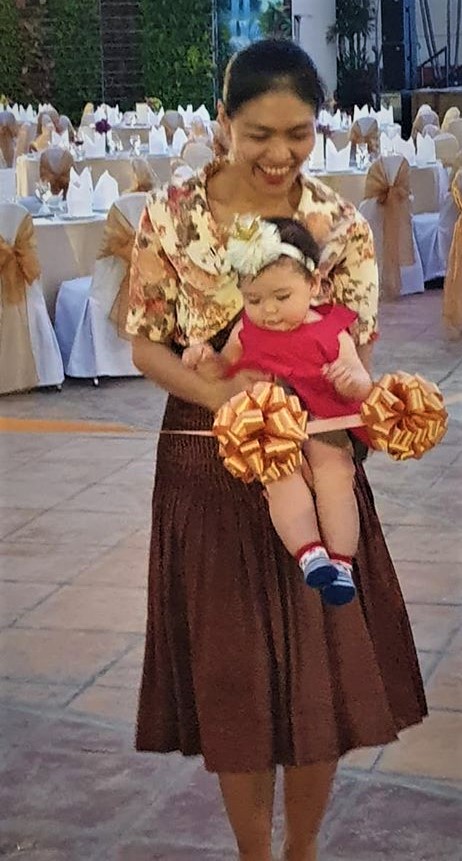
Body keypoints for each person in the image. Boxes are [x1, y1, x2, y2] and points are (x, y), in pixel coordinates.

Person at [127, 39, 427, 861]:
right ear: (223, 122)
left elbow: (356, 350)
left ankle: (302, 850)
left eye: (299, 134)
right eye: (259, 133)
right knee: (237, 678)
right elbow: (147, 344)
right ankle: (254, 853)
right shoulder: (172, 215)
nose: (279, 154)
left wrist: (367, 409)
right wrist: (227, 400)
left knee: (321, 670)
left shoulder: (340, 225)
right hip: (209, 461)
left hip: (318, 455)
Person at [182, 216, 373, 606]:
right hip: (271, 427)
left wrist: (350, 380)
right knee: (280, 478)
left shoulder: (331, 330)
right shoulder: (244, 331)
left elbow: (361, 379)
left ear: (314, 285)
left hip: (322, 420)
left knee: (335, 473)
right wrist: (204, 359)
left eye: (282, 297)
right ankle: (309, 553)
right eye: (254, 300)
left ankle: (341, 561)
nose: (268, 310)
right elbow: (224, 370)